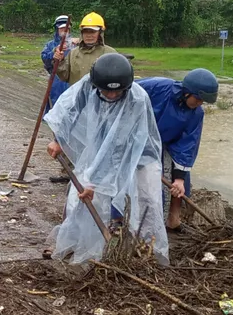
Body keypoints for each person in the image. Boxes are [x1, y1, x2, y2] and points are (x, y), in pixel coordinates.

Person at [43, 53, 168, 265]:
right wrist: (58, 140)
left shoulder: (136, 100)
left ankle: (147, 249)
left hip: (137, 154)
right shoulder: (89, 85)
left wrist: (94, 182)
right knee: (78, 197)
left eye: (116, 91)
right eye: (106, 90)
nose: (110, 94)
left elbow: (117, 149)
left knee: (147, 199)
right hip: (100, 147)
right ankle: (76, 242)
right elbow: (70, 110)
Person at [137, 68, 218, 230]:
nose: (199, 104)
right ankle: (146, 220)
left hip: (169, 140)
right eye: (198, 99)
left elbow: (187, 145)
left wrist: (179, 179)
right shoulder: (157, 87)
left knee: (181, 183)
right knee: (150, 180)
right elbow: (127, 93)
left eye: (203, 101)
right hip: (141, 137)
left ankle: (173, 220)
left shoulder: (196, 114)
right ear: (187, 91)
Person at [56, 12, 120, 86]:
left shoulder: (110, 53)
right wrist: (59, 62)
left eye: (92, 32)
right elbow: (64, 77)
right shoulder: (73, 53)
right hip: (77, 96)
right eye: (85, 31)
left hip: (100, 97)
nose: (89, 35)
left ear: (100, 33)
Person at [41, 15, 72, 110]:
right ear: (57, 29)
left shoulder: (74, 44)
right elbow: (44, 58)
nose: (64, 32)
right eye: (62, 29)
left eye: (67, 29)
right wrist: (53, 54)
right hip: (56, 79)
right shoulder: (51, 45)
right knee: (54, 103)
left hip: (71, 80)